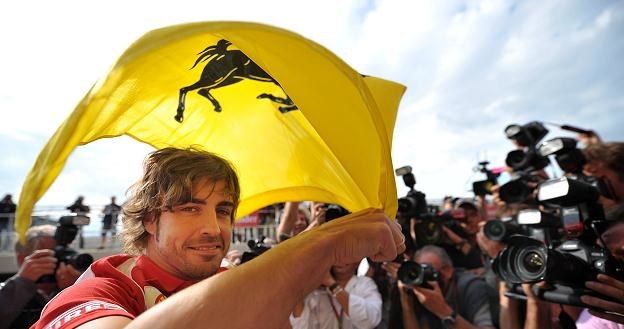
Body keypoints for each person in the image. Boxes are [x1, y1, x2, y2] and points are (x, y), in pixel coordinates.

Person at [33, 147, 405, 329]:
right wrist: (322, 245)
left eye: (223, 210)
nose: (214, 228)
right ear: (149, 220)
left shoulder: (235, 285)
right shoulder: (99, 290)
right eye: (190, 208)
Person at [0, 225, 81, 329]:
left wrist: (72, 290)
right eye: (51, 254)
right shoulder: (7, 291)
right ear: (23, 259)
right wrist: (22, 283)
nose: (58, 260)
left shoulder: (76, 287)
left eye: (63, 254)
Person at [397, 245, 496, 329]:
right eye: (418, 271)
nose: (422, 277)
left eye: (428, 269)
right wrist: (407, 303)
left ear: (448, 271)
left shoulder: (471, 287)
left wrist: (443, 311)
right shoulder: (420, 292)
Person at [290, 260, 382, 329]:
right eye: (337, 255)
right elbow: (300, 326)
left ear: (358, 261)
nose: (341, 259)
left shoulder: (365, 284)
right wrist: (298, 290)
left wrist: (331, 284)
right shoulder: (316, 288)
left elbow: (371, 320)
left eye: (348, 255)